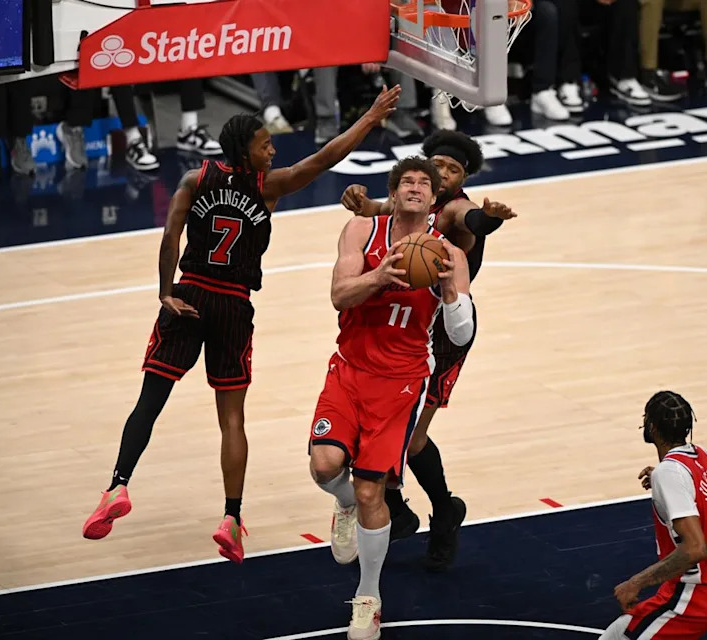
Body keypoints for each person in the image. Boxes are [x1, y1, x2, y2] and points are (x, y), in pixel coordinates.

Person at [81, 85, 402, 564]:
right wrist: (371, 116)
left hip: (188, 294)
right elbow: (325, 157)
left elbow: (170, 236)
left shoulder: (195, 178)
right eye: (265, 145)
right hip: (233, 305)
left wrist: (165, 291)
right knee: (232, 418)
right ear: (245, 150)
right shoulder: (267, 186)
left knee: (149, 400)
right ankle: (231, 517)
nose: (272, 150)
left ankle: (116, 487)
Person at [308, 156, 473, 640]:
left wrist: (449, 295)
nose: (416, 188)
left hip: (402, 380)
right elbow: (340, 295)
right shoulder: (362, 230)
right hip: (349, 368)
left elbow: (460, 335)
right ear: (395, 192)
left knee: (369, 490)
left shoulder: (450, 255)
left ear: (433, 198)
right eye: (408, 182)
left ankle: (369, 598)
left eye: (425, 183)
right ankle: (344, 506)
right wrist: (380, 276)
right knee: (324, 467)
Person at [340, 130, 516, 571]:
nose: (441, 173)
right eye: (437, 163)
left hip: (445, 330)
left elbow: (473, 220)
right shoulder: (414, 200)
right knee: (382, 420)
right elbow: (373, 209)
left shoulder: (456, 209)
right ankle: (396, 507)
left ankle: (443, 512)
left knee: (412, 437)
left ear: (459, 181)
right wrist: (356, 197)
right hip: (402, 324)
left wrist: (489, 219)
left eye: (453, 170)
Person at [599, 391, 707, 640]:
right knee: (613, 636)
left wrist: (636, 582)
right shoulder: (704, 457)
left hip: (696, 595)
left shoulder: (669, 473)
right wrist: (663, 481)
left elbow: (696, 548)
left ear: (651, 427)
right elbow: (704, 502)